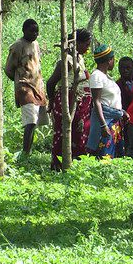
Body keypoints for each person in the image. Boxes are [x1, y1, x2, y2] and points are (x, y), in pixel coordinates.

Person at [46, 29, 93, 170]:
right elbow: (50, 83)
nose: (88, 47)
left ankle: (76, 165)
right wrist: (53, 103)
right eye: (86, 44)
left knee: (78, 136)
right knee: (65, 135)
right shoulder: (66, 61)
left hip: (80, 106)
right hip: (69, 103)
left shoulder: (79, 58)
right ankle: (59, 166)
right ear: (76, 43)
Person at [4, 18, 48, 161]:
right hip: (25, 87)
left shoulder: (35, 44)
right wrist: (19, 82)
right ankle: (25, 154)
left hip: (37, 86)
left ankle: (29, 152)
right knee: (30, 122)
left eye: (37, 31)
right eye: (32, 31)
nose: (35, 34)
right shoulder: (17, 46)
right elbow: (9, 69)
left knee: (36, 120)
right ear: (24, 30)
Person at [86, 44, 127, 158]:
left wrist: (122, 111)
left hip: (113, 119)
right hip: (105, 120)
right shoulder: (97, 76)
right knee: (103, 153)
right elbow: (97, 102)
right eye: (113, 59)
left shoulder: (106, 77)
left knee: (111, 154)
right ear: (109, 60)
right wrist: (103, 125)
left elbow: (110, 100)